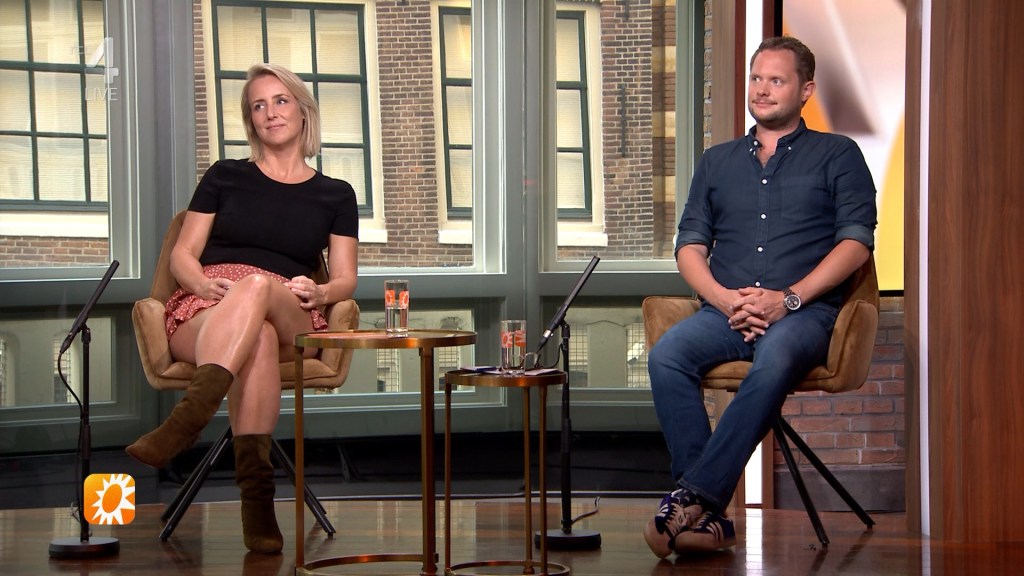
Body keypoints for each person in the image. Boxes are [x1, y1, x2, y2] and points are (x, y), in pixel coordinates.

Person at [643, 36, 876, 558]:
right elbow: (690, 246)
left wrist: (785, 300)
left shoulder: (839, 154)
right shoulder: (717, 161)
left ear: (805, 90)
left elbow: (856, 244)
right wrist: (725, 300)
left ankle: (693, 497)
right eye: (756, 78)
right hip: (726, 312)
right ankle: (710, 515)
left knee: (775, 359)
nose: (762, 89)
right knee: (667, 356)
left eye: (776, 80)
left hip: (803, 315)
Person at [126, 63, 359, 554]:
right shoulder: (224, 176)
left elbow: (345, 278)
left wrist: (321, 294)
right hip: (209, 303)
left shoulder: (336, 194)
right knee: (257, 337)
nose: (270, 112)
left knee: (257, 289)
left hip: (288, 306)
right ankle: (258, 504)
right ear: (250, 119)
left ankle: (187, 421)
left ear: (303, 110)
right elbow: (183, 254)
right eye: (258, 105)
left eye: (280, 100)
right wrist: (200, 283)